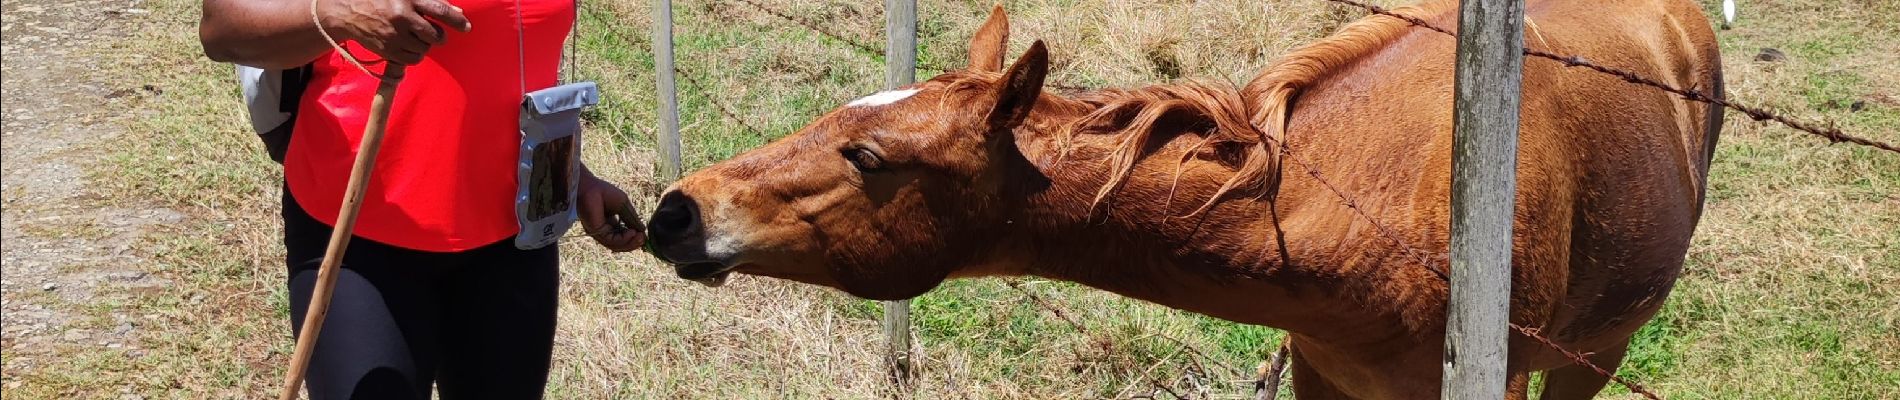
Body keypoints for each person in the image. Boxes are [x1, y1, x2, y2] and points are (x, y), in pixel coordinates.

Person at [199, 0, 647, 398]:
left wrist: (575, 177)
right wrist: (341, 14)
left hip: (513, 237)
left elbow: (511, 72)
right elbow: (221, 28)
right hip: (359, 231)